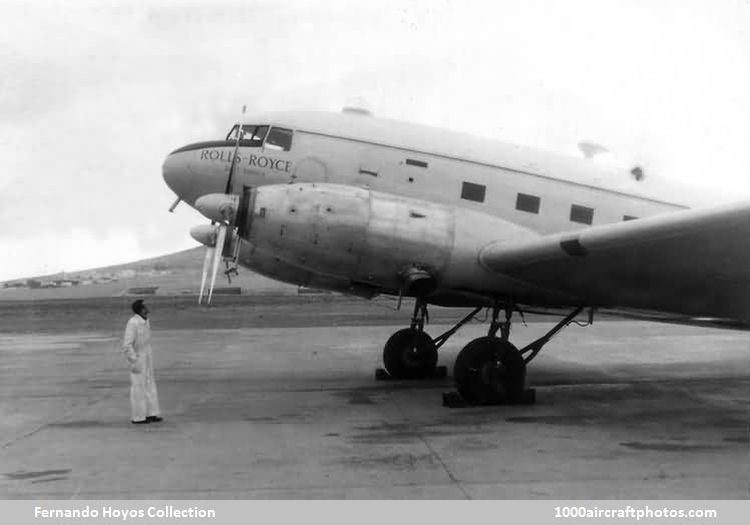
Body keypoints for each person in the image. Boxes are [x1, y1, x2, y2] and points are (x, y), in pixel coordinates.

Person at [122, 299, 163, 424]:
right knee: (138, 387)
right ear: (140, 310)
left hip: (147, 356)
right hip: (138, 357)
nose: (147, 310)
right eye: (145, 308)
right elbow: (127, 345)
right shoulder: (133, 323)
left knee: (149, 383)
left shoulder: (145, 322)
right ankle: (138, 416)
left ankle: (151, 413)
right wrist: (134, 360)